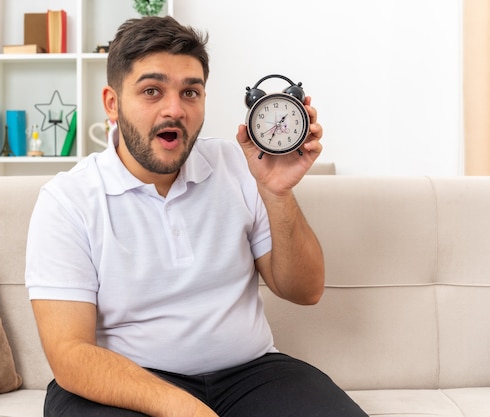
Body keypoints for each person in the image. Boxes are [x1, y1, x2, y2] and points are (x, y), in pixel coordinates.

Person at [25, 15, 368, 417]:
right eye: (152, 91)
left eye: (191, 92)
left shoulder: (238, 166)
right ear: (112, 103)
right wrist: (184, 408)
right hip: (125, 383)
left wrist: (278, 193)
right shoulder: (67, 201)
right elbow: (70, 353)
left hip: (250, 374)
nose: (175, 109)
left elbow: (304, 291)